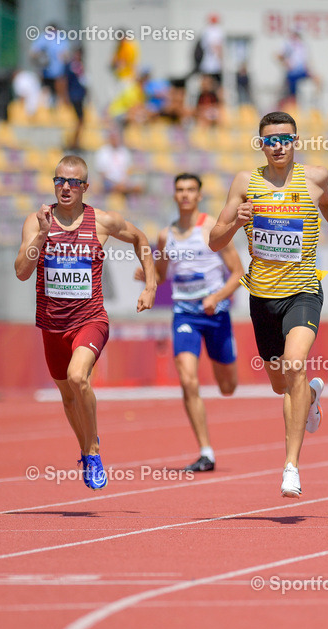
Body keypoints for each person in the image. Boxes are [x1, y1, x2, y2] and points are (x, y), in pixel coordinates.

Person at [209, 111, 328, 497]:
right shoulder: (244, 183)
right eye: (270, 140)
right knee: (280, 384)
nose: (278, 145)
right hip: (262, 298)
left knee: (295, 366)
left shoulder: (315, 177)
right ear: (261, 144)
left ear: (296, 140)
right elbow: (215, 241)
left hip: (303, 291)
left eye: (285, 138)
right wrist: (235, 223)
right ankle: (312, 395)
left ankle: (291, 467)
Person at [14, 156, 157, 490]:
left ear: (85, 187)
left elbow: (140, 240)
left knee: (79, 377)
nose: (66, 187)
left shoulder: (102, 222)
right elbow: (21, 271)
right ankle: (85, 447)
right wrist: (42, 236)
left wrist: (150, 285)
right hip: (51, 326)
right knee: (67, 398)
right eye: (60, 181)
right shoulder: (37, 222)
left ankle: (92, 452)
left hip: (90, 320)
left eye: (74, 182)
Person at [134, 173, 244, 472]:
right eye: (180, 190)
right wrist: (147, 275)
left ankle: (208, 443)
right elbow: (161, 269)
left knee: (228, 386)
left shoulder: (211, 229)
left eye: (190, 190)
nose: (185, 195)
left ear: (199, 196)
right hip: (185, 314)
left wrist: (216, 297)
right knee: (187, 379)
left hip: (215, 313)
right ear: (174, 195)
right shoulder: (165, 235)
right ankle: (206, 451)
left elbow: (238, 273)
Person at [29, 22, 69, 106]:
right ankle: (45, 110)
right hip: (46, 72)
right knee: (46, 93)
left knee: (60, 93)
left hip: (59, 73)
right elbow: (33, 52)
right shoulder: (43, 38)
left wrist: (64, 56)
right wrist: (41, 55)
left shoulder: (61, 38)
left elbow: (66, 54)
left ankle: (59, 110)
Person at [94, 127, 142, 196]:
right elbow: (102, 173)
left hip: (123, 181)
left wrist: (124, 182)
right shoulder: (103, 151)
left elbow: (129, 170)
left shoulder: (124, 151)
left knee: (138, 187)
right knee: (118, 188)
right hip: (109, 181)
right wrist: (115, 183)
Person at [278, 31, 311, 109]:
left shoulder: (302, 46)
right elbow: (279, 55)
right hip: (292, 73)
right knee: (291, 93)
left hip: (300, 71)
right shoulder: (288, 44)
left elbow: (304, 60)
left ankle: (315, 101)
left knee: (318, 79)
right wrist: (286, 63)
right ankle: (291, 106)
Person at [65, 47, 87, 150]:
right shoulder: (71, 66)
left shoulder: (80, 67)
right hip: (74, 96)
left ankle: (76, 141)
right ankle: (73, 142)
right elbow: (64, 81)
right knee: (79, 119)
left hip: (79, 96)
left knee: (81, 120)